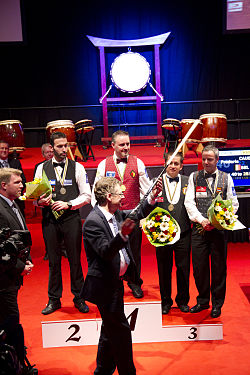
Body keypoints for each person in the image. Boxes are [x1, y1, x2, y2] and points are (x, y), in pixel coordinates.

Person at [81, 176, 161, 375]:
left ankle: (102, 370)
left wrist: (152, 197)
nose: (124, 195)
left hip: (116, 283)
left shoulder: (115, 214)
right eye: (120, 193)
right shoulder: (92, 222)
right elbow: (106, 252)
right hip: (104, 287)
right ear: (109, 196)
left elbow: (136, 214)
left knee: (110, 331)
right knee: (121, 331)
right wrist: (123, 235)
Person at [34, 131, 91, 315]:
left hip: (71, 219)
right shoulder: (41, 168)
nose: (64, 149)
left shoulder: (78, 168)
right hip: (50, 219)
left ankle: (79, 297)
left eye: (66, 145)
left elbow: (87, 196)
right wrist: (39, 202)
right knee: (53, 261)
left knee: (75, 260)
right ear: (51, 147)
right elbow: (35, 197)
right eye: (60, 146)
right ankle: (54, 299)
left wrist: (69, 204)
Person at [91, 130, 152, 299]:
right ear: (113, 145)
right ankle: (112, 282)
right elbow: (96, 191)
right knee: (112, 252)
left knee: (134, 252)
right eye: (122, 144)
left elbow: (147, 191)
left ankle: (134, 282)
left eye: (128, 144)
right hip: (111, 217)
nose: (126, 147)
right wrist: (100, 216)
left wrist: (142, 215)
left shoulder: (138, 162)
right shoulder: (103, 165)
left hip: (132, 215)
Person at [184, 144, 239, 318]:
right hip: (199, 230)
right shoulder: (194, 176)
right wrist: (202, 220)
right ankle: (202, 301)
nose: (206, 162)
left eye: (210, 159)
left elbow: (233, 203)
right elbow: (189, 203)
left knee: (218, 268)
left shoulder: (226, 178)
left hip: (219, 231)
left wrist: (219, 220)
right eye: (204, 159)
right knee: (199, 268)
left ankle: (217, 303)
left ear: (217, 160)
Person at [0, 168, 36, 374]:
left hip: (12, 277)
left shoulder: (12, 204)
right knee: (11, 321)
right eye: (18, 182)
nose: (23, 185)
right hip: (4, 280)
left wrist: (26, 260)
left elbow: (19, 238)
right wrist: (21, 267)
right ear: (4, 185)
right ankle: (15, 366)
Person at [155, 152, 191, 314]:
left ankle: (183, 300)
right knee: (164, 269)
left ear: (181, 166)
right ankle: (165, 301)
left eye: (176, 163)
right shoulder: (156, 183)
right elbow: (148, 204)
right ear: (165, 164)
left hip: (183, 233)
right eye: (170, 163)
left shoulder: (188, 182)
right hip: (162, 235)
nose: (173, 166)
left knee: (183, 269)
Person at [0, 140, 26, 217]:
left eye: (6, 148)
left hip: (17, 199)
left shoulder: (15, 162)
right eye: (2, 148)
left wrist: (15, 191)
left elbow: (23, 180)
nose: (4, 150)